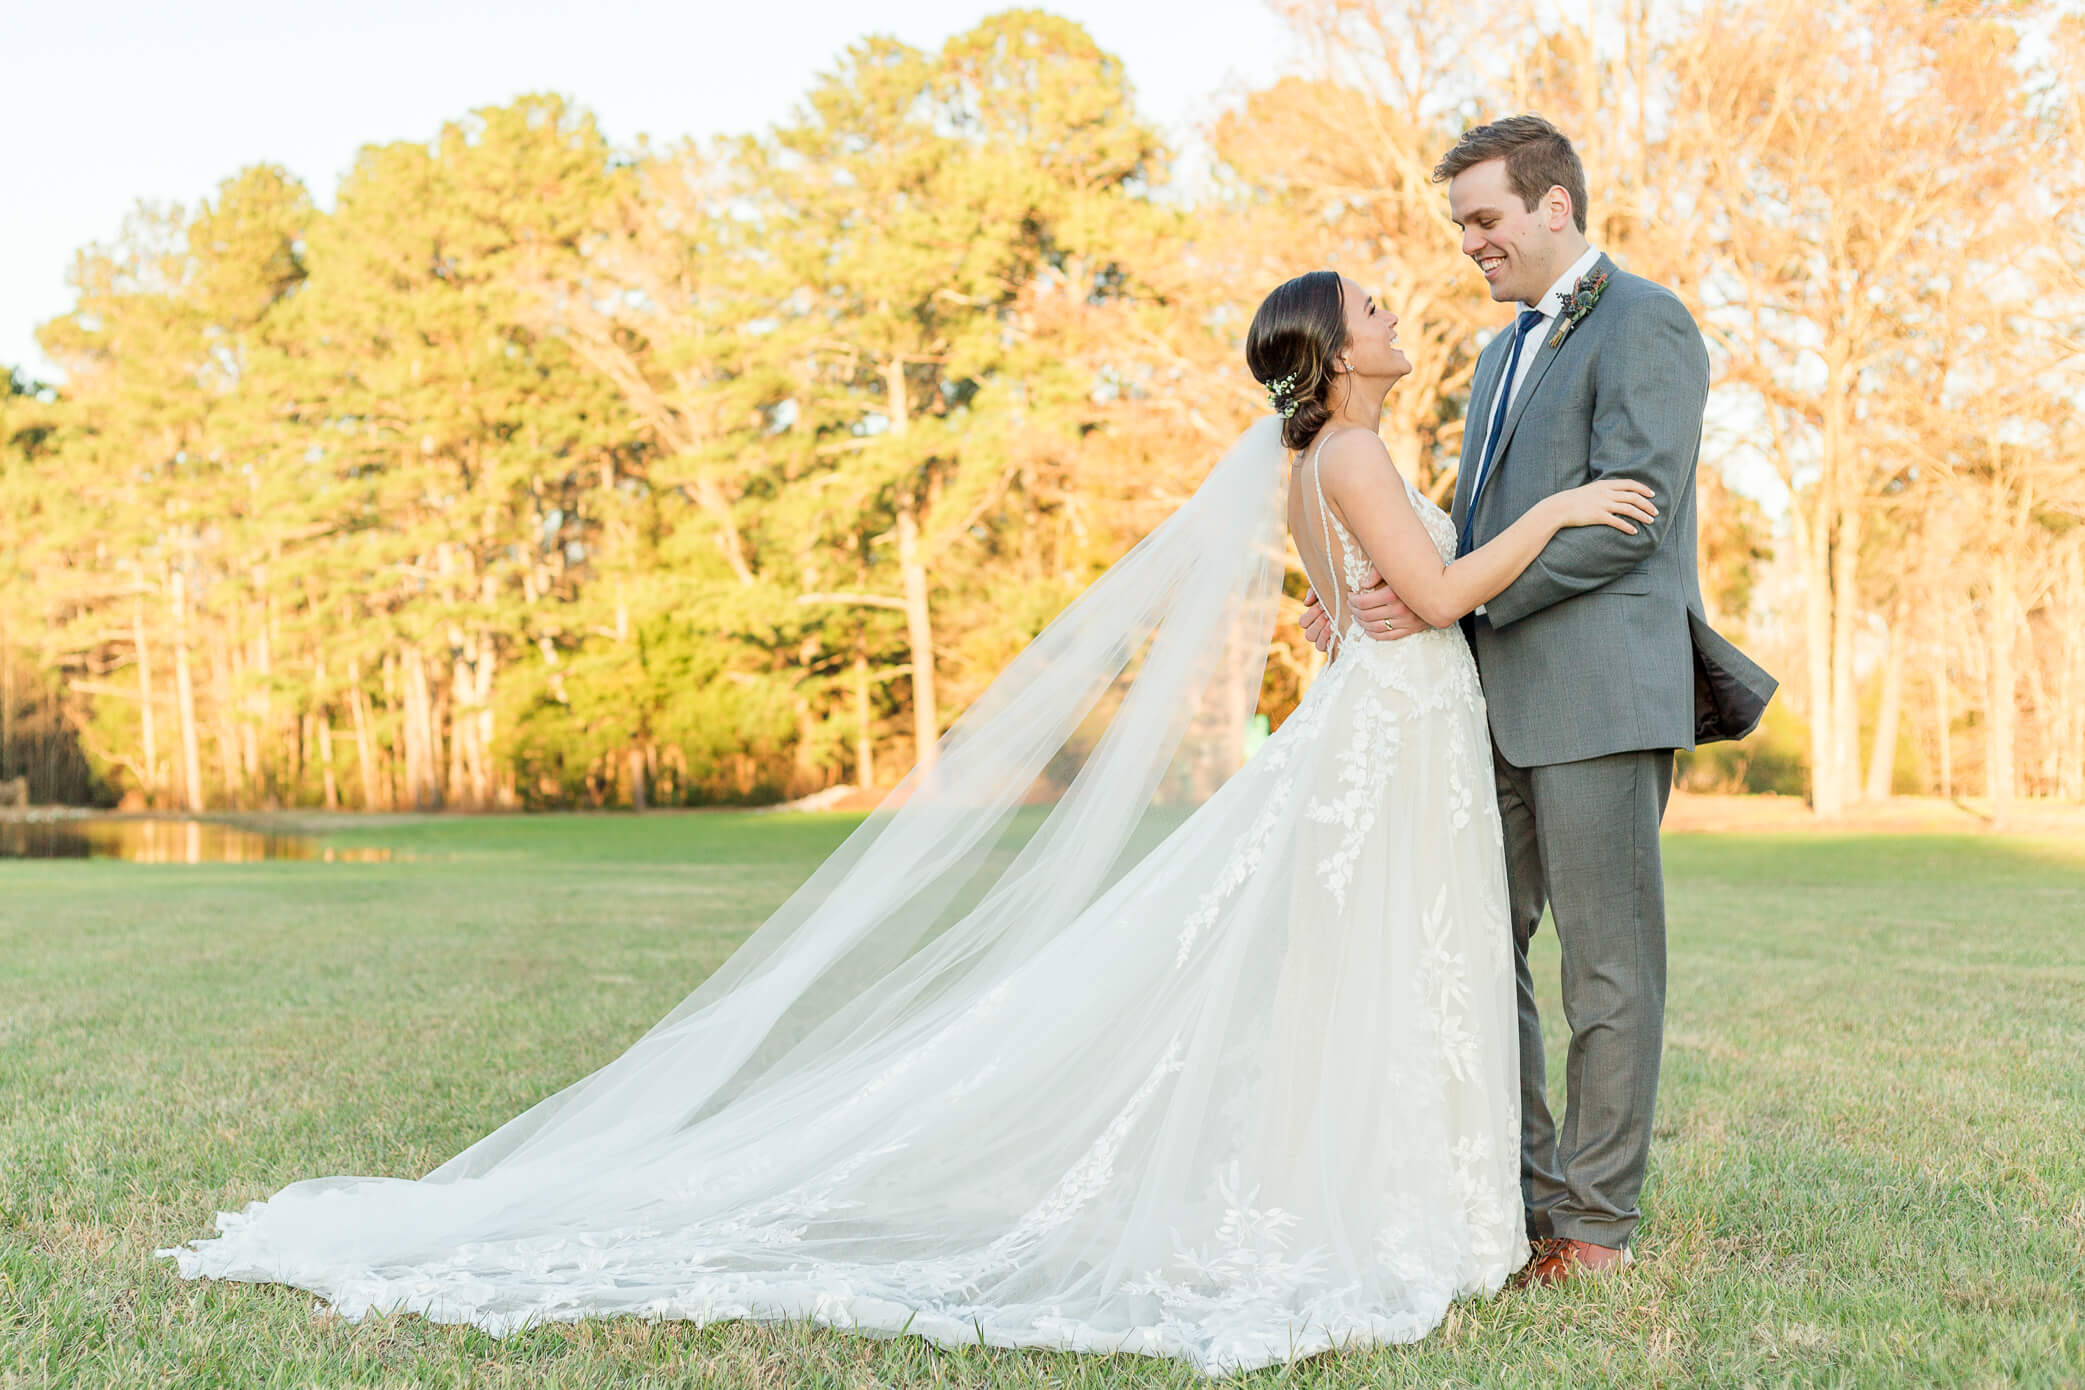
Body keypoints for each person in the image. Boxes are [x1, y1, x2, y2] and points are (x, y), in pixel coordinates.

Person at [160, 270, 1662, 1376]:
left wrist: (1390, 601)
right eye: (1379, 308)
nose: (1402, 315)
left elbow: (1342, 619)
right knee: (1397, 965)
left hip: (1380, 731)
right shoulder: (1345, 451)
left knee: (1384, 970)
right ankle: (1400, 1208)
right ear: (1337, 355)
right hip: (1392, 743)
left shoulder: (1303, 466)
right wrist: (1558, 513)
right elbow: (1442, 598)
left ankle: (1406, 1192)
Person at [1302, 115, 1777, 1286]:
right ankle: (1511, 1202)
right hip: (1482, 703)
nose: (1470, 242)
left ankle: (1595, 1230)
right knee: (1476, 946)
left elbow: (1637, 510)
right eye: (1462, 222)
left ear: (1554, 204)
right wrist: (1389, 586)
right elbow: (1471, 530)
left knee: (1606, 969)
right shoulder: (1497, 352)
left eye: (1485, 218)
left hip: (1600, 694)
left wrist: (1453, 603)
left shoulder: (1647, 322)